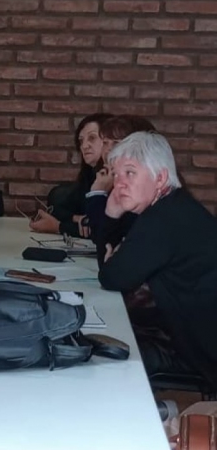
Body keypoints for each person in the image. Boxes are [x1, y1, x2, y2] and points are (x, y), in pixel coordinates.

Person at [98, 132, 217, 386]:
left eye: (130, 173)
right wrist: (112, 218)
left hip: (199, 351)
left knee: (103, 352)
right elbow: (115, 265)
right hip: (194, 334)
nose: (119, 184)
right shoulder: (172, 206)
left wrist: (110, 218)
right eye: (116, 175)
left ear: (160, 178)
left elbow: (112, 277)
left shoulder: (164, 219)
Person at [85, 115, 156, 267]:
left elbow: (105, 240)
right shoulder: (109, 179)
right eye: (105, 143)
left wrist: (97, 194)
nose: (108, 150)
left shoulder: (141, 189)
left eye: (117, 143)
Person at [29, 113, 111, 237]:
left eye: (92, 138)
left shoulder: (114, 176)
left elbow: (100, 230)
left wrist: (58, 227)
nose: (84, 146)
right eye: (81, 141)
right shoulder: (90, 175)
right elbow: (58, 206)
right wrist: (76, 218)